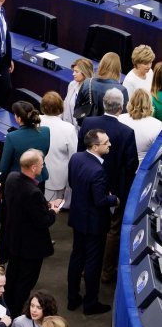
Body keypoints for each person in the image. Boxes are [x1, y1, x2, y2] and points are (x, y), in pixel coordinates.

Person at [79, 89, 138, 286]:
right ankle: (105, 273)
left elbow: (81, 152)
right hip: (116, 190)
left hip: (87, 187)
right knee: (113, 230)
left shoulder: (87, 122)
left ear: (103, 103)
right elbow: (131, 166)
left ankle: (85, 268)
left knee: (87, 228)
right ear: (121, 107)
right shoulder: (127, 133)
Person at [66, 129, 119, 315]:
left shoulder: (76, 158)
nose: (110, 144)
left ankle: (72, 298)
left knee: (76, 257)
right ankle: (91, 303)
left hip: (78, 217)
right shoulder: (98, 171)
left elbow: (73, 183)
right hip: (94, 224)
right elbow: (100, 201)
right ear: (95, 147)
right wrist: (114, 199)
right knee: (93, 264)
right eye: (106, 143)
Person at [4, 150, 60, 317]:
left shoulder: (12, 178)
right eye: (42, 164)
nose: (43, 167)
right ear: (34, 167)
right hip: (31, 246)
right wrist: (53, 211)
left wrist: (45, 205)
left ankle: (7, 308)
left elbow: (24, 207)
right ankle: (16, 314)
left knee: (12, 276)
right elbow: (43, 221)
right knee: (25, 282)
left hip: (14, 240)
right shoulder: (33, 192)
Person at [40, 92, 77, 205]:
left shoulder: (34, 122)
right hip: (56, 178)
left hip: (34, 175)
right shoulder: (69, 129)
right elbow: (73, 156)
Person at [0, 101, 51, 180]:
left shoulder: (11, 137)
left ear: (19, 119)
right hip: (39, 177)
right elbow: (44, 152)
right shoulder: (46, 131)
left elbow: (4, 167)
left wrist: (0, 186)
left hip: (19, 181)